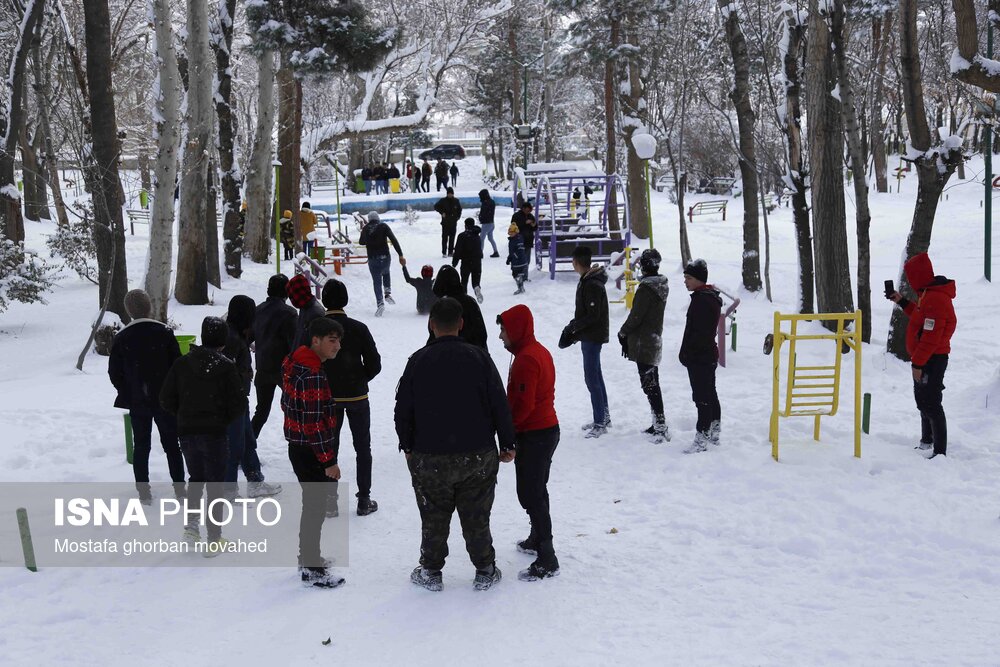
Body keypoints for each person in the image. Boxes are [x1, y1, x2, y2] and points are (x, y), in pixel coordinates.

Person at [395, 297, 516, 592]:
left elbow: (402, 409)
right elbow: (499, 403)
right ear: (461, 325)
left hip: (429, 455)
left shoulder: (417, 361)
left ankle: (431, 571)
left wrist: (407, 446)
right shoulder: (479, 358)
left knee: (433, 514)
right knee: (477, 514)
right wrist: (507, 442)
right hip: (477, 454)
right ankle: (485, 568)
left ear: (430, 324)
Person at [160, 316, 246, 551]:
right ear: (223, 341)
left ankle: (191, 527)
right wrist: (221, 419)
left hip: (187, 432)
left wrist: (184, 414)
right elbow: (239, 404)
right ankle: (214, 538)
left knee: (196, 479)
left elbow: (166, 398)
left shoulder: (182, 364)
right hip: (215, 433)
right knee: (215, 484)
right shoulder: (226, 367)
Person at [281, 317, 346, 588]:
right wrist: (328, 460)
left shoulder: (297, 362)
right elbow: (312, 423)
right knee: (315, 508)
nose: (338, 346)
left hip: (298, 446)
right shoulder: (312, 374)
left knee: (312, 506)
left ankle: (308, 557)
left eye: (339, 340)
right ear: (315, 340)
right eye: (332, 340)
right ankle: (311, 567)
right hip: (309, 450)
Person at [497, 305, 560, 581]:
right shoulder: (535, 351)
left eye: (503, 330)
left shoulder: (527, 359)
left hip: (536, 433)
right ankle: (537, 537)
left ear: (516, 330)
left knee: (531, 494)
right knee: (536, 490)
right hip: (544, 430)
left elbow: (523, 405)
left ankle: (548, 556)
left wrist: (509, 437)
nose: (500, 336)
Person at [108, 289, 185, 502]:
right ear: (149, 307)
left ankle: (144, 491)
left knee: (141, 446)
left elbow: (114, 372)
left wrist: (128, 390)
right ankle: (180, 488)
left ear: (128, 311)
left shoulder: (123, 338)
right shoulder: (164, 333)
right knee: (172, 445)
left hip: (138, 400)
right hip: (165, 400)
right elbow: (177, 366)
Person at [319, 280, 382, 515]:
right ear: (345, 300)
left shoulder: (316, 330)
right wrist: (360, 379)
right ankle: (364, 499)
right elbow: (375, 363)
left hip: (328, 397)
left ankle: (329, 500)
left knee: (329, 447)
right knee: (362, 447)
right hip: (357, 397)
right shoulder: (358, 328)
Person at [887, 252, 957, 458]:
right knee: (922, 400)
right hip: (925, 357)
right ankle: (927, 440)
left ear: (919, 275)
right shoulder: (928, 294)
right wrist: (901, 301)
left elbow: (931, 338)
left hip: (932, 359)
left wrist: (917, 364)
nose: (910, 281)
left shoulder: (935, 298)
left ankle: (940, 451)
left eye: (911, 277)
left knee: (931, 402)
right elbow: (920, 316)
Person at [222, 295, 282, 498]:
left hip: (239, 399)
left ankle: (255, 481)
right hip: (230, 402)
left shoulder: (237, 334)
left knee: (247, 440)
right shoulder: (230, 338)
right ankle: (229, 491)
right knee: (234, 446)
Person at [617, 249, 670, 443]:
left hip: (644, 342)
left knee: (650, 385)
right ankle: (658, 422)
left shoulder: (647, 289)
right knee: (652, 383)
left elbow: (636, 316)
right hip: (653, 339)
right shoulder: (661, 285)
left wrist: (622, 332)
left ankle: (660, 425)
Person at [559, 246, 610, 438]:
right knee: (596, 375)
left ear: (576, 262)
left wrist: (573, 327)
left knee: (592, 378)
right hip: (588, 335)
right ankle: (603, 417)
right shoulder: (587, 280)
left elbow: (593, 315)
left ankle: (600, 422)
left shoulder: (592, 284)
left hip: (592, 336)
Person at [678, 258, 722, 454]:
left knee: (702, 398)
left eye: (688, 277)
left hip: (701, 357)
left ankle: (702, 436)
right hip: (706, 355)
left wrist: (688, 353)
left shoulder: (702, 300)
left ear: (698, 279)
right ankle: (714, 430)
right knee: (710, 394)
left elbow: (698, 333)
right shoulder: (706, 297)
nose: (685, 281)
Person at [251, 275, 296, 437]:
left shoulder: (257, 310)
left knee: (261, 411)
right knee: (293, 408)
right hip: (284, 370)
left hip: (262, 367)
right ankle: (297, 442)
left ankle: (246, 447)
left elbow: (249, 337)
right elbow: (294, 344)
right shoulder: (290, 314)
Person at [429, 265, 488, 350]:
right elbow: (481, 333)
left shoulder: (440, 306)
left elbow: (432, 335)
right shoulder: (470, 303)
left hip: (443, 353)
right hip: (472, 353)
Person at [358, 211, 406, 317]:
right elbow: (393, 239)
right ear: (378, 218)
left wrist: (369, 239)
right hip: (385, 257)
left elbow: (361, 242)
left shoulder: (366, 228)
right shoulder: (383, 226)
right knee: (386, 272)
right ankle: (387, 293)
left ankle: (380, 304)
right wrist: (400, 254)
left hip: (372, 258)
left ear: (369, 219)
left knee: (376, 281)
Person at [287, 273, 326, 349]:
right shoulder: (305, 307)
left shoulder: (315, 313)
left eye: (292, 296)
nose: (291, 300)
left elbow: (316, 346)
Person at [452, 217, 483, 303]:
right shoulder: (477, 235)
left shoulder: (462, 236)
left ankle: (464, 297)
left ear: (465, 225)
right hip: (477, 261)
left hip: (466, 261)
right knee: (476, 280)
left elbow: (457, 250)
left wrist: (454, 263)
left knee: (464, 281)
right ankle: (477, 287)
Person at [434, 186, 463, 257]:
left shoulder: (456, 201)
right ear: (447, 194)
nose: (450, 195)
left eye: (451, 193)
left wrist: (457, 217)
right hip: (445, 223)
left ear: (453, 194)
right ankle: (444, 252)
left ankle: (450, 252)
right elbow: (436, 206)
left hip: (453, 222)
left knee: (452, 238)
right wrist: (442, 212)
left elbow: (459, 210)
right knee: (444, 238)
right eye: (448, 193)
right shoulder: (443, 200)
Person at [511, 201, 537, 271]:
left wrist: (534, 225)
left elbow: (535, 227)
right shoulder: (516, 216)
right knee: (519, 258)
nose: (528, 212)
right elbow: (513, 227)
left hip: (528, 240)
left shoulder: (531, 216)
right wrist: (524, 223)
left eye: (530, 211)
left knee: (527, 260)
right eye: (527, 210)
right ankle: (519, 274)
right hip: (519, 240)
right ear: (523, 208)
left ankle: (525, 275)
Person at [506, 223, 528, 295]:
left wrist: (515, 257)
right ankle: (520, 287)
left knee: (516, 274)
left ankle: (520, 288)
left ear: (516, 232)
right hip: (515, 261)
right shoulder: (513, 239)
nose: (510, 234)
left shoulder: (518, 240)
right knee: (516, 275)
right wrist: (509, 258)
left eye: (512, 232)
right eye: (510, 232)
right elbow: (512, 251)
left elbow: (519, 251)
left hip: (519, 261)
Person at [478, 189, 499, 258]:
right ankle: (496, 251)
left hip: (486, 223)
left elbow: (484, 212)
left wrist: (480, 217)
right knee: (490, 238)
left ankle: (480, 253)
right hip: (491, 223)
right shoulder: (492, 202)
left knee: (481, 238)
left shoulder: (485, 203)